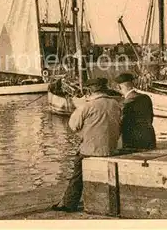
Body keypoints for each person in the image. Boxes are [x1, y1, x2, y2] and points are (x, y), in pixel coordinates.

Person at [51, 77, 122, 212]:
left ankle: (69, 203)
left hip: (92, 150)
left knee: (77, 171)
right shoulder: (115, 104)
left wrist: (84, 133)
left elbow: (73, 126)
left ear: (90, 91)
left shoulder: (86, 106)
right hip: (112, 148)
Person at [114, 72, 156, 150]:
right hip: (149, 140)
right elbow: (150, 118)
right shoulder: (146, 98)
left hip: (133, 143)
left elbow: (121, 123)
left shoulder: (126, 102)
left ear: (119, 87)